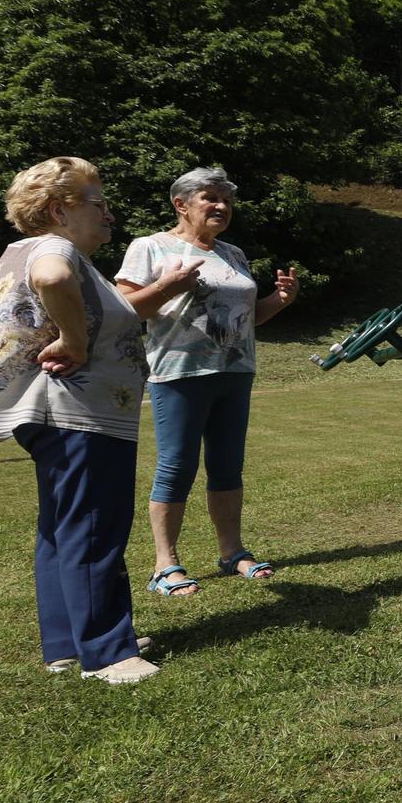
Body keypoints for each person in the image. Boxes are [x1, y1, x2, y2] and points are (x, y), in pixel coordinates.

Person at [0, 158, 184, 683]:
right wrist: (75, 341)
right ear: (59, 210)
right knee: (95, 525)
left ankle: (69, 644)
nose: (110, 215)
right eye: (98, 204)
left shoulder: (26, 249)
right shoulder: (56, 249)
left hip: (62, 415)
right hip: (78, 414)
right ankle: (108, 653)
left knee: (63, 527)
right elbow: (52, 279)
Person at [115, 167, 299, 595]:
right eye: (210, 198)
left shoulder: (233, 254)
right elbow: (125, 308)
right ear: (181, 204)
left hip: (235, 372)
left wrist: (280, 300)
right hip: (180, 373)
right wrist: (167, 285)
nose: (221, 207)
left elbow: (246, 320)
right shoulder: (150, 247)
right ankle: (166, 565)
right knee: (177, 467)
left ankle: (232, 551)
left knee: (227, 467)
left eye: (227, 201)